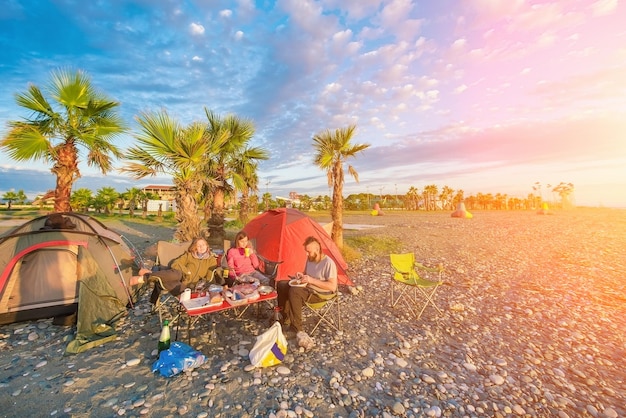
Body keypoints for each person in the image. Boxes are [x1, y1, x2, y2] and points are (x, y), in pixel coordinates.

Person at [276, 235, 337, 350]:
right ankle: (285, 318)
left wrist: (311, 280)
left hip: (321, 294)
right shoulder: (310, 259)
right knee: (282, 284)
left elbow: (332, 286)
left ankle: (297, 328)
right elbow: (307, 275)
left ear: (317, 250)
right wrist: (301, 276)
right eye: (306, 251)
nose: (306, 254)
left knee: (295, 291)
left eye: (308, 251)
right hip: (309, 289)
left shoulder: (329, 263)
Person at [131, 238, 219, 305]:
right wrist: (186, 272)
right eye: (199, 245)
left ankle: (149, 275)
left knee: (165, 281)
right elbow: (175, 264)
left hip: (190, 286)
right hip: (181, 277)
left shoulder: (211, 260)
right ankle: (146, 277)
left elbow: (209, 278)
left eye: (203, 245)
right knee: (176, 273)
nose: (201, 247)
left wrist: (205, 286)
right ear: (195, 247)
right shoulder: (188, 256)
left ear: (207, 246)